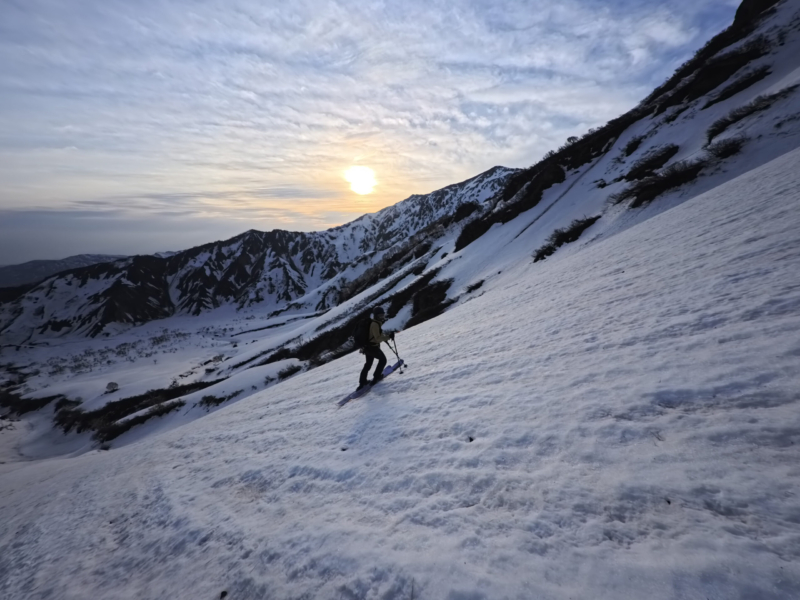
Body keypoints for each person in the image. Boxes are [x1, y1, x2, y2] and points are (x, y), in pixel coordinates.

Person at [359, 306, 394, 389]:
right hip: (372, 347)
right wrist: (388, 337)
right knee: (383, 360)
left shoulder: (375, 323)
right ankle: (376, 377)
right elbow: (378, 338)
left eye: (383, 315)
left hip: (367, 347)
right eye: (380, 316)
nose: (382, 317)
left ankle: (362, 382)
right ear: (376, 316)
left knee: (368, 364)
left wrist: (385, 337)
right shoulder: (375, 324)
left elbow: (376, 336)